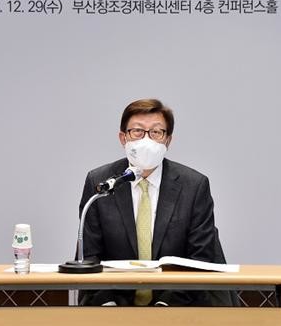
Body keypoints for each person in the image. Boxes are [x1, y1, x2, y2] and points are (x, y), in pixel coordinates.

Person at [78, 98, 234, 306]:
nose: (146, 140)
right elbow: (89, 256)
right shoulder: (101, 183)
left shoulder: (194, 186)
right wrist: (107, 305)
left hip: (178, 307)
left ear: (167, 140)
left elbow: (200, 259)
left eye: (156, 132)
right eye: (137, 131)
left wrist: (166, 308)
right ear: (123, 138)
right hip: (114, 307)